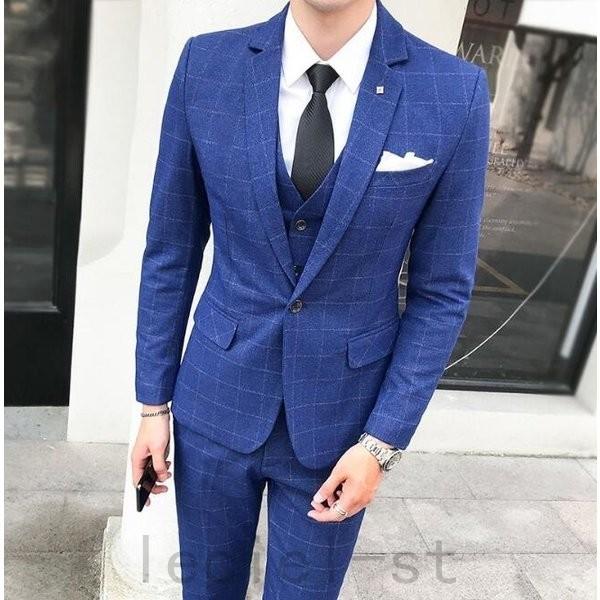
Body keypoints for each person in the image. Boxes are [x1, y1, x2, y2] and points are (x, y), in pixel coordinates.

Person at [131, 0, 490, 597]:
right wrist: (152, 406)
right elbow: (170, 249)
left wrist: (383, 443)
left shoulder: (453, 91)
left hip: (343, 424)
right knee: (206, 588)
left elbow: (442, 292)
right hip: (215, 399)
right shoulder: (207, 65)